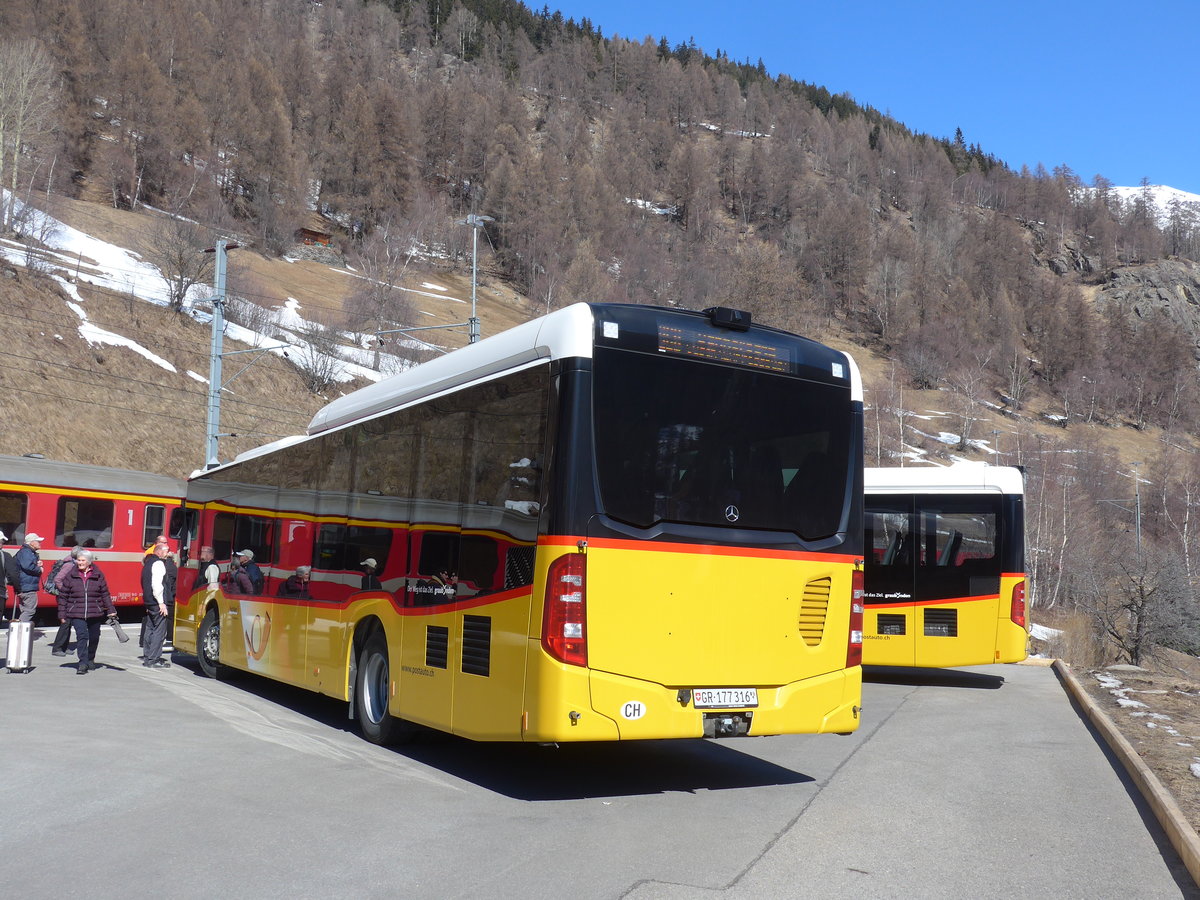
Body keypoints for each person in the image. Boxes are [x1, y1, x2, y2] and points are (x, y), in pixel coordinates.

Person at [56, 549, 117, 674]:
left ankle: (90, 658)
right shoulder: (71, 575)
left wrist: (111, 609)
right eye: (78, 560)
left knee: (94, 637)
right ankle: (82, 663)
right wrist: (62, 614)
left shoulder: (98, 575)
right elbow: (63, 596)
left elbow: (105, 593)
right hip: (76, 613)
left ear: (89, 562)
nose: (80, 563)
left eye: (83, 560)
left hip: (95, 612)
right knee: (82, 637)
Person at [49, 546, 86, 656]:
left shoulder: (72, 563)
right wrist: (65, 591)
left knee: (69, 622)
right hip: (64, 597)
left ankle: (64, 647)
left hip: (67, 597)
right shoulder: (69, 565)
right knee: (66, 622)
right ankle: (57, 648)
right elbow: (58, 579)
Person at [140, 542, 172, 669]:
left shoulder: (147, 563)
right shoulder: (158, 564)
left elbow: (144, 582)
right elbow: (157, 585)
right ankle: (154, 659)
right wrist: (161, 603)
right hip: (156, 601)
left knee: (150, 628)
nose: (168, 553)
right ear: (159, 552)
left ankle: (148, 656)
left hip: (148, 600)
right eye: (166, 551)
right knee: (159, 630)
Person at [13, 532, 45, 623]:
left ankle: (20, 632)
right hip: (27, 586)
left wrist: (37, 564)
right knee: (30, 610)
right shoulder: (26, 552)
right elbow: (27, 566)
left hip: (23, 586)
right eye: (38, 541)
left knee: (25, 610)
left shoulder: (26, 552)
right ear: (31, 542)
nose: (40, 543)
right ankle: (20, 630)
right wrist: (39, 569)